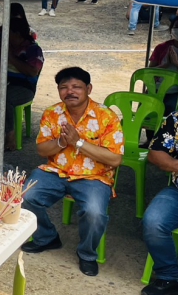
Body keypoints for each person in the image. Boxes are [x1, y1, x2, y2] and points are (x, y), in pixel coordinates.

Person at [21, 67, 124, 277]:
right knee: (23, 195)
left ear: (89, 89)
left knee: (94, 213)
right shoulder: (53, 113)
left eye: (76, 86)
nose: (70, 91)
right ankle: (46, 237)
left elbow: (115, 159)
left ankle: (87, 254)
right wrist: (61, 141)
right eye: (64, 87)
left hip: (93, 177)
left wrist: (78, 142)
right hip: (56, 171)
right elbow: (42, 150)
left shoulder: (106, 116)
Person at [140, 110, 178, 295]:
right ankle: (169, 276)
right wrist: (176, 165)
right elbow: (155, 153)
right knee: (154, 221)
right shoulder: (177, 119)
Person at [0, 15, 44, 151]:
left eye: (8, 33)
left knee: (5, 98)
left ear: (16, 34)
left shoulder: (33, 49)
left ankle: (10, 136)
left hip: (24, 87)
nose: (4, 36)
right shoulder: (4, 47)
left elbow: (32, 71)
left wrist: (10, 57)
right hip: (2, 82)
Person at [148, 15, 178, 113]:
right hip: (156, 90)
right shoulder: (161, 48)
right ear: (171, 29)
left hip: (176, 93)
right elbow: (148, 72)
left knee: (171, 113)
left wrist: (177, 64)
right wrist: (163, 66)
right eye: (176, 27)